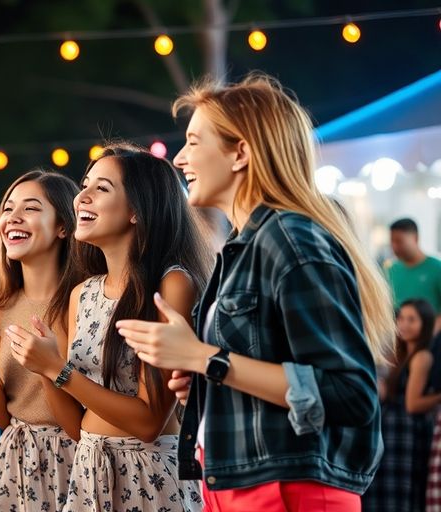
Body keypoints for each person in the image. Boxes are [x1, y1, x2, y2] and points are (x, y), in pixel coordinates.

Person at [118, 74, 394, 510]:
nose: (179, 157)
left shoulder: (290, 240)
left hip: (288, 490)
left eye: (194, 141)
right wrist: (210, 382)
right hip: (241, 485)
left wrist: (203, 358)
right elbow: (269, 375)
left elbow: (350, 393)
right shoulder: (247, 245)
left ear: (240, 153)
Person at [11, 146, 209, 511]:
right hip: (89, 473)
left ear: (137, 209)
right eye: (84, 185)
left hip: (149, 476)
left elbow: (150, 421)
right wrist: (43, 367)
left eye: (101, 188)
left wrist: (57, 368)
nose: (81, 197)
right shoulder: (81, 295)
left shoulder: (172, 285)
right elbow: (77, 425)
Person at [0, 170, 84, 510]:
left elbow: (80, 420)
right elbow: (4, 418)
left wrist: (48, 369)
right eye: (8, 208)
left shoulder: (83, 300)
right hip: (15, 460)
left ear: (63, 226)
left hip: (77, 460)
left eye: (30, 208)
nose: (13, 218)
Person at [365, 299, 436, 511]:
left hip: (405, 434)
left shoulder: (421, 357)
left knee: (400, 491)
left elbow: (412, 404)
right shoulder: (402, 354)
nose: (403, 324)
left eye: (411, 320)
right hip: (394, 432)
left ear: (425, 324)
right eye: (401, 318)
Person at [388, 218, 441, 333]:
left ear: (415, 238)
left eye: (399, 241)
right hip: (400, 340)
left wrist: (428, 337)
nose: (394, 247)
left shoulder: (437, 268)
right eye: (392, 242)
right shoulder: (391, 270)